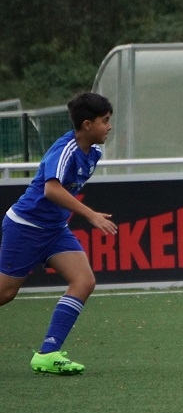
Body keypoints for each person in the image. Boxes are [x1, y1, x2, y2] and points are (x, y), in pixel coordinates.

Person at [0, 92, 117, 375]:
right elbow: (51, 190)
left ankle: (48, 353)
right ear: (87, 124)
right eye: (105, 121)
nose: (109, 126)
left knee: (84, 280)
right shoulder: (65, 149)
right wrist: (90, 214)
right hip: (26, 226)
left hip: (54, 230)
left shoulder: (94, 153)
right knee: (5, 293)